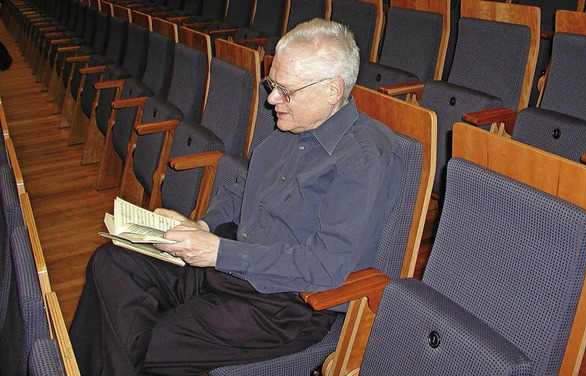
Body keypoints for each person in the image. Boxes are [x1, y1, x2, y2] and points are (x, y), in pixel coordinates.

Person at [69, 18, 402, 375]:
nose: (272, 99)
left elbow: (326, 267)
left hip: (284, 303)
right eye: (272, 84)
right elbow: (244, 188)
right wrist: (202, 224)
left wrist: (217, 251)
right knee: (112, 262)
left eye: (285, 91)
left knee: (138, 340)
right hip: (232, 261)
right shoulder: (293, 125)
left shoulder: (363, 159)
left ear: (332, 90)